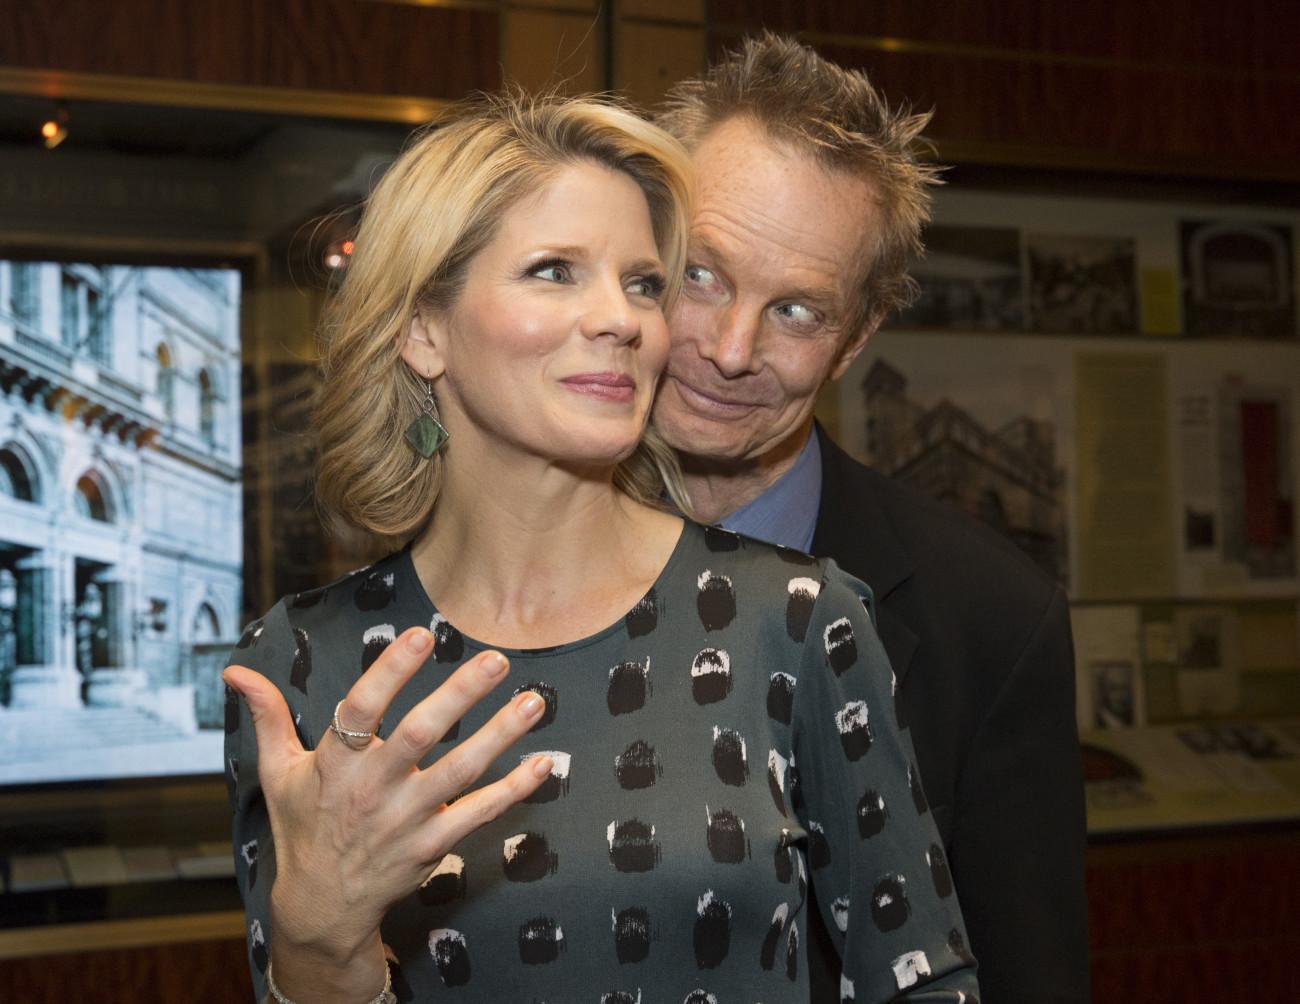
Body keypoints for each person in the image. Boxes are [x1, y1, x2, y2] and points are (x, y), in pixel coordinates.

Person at [224, 92, 979, 1003]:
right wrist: (316, 945)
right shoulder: (302, 666)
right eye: (554, 270)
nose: (621, 318)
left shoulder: (793, 619)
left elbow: (922, 981)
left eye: (644, 282)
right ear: (424, 327)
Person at [650, 34, 1090, 1004]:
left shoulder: (991, 620)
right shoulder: (498, 567)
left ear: (854, 339)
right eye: (702, 274)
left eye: (797, 310)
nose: (730, 350)